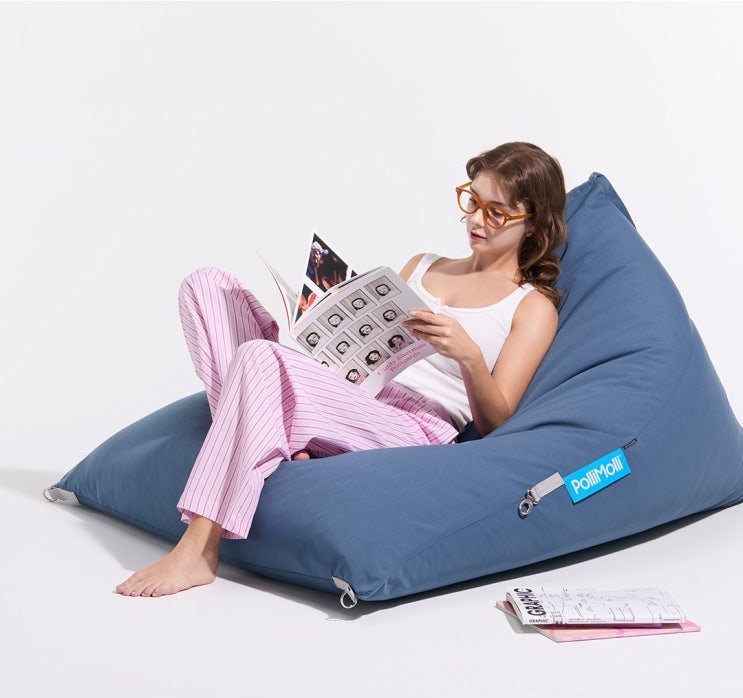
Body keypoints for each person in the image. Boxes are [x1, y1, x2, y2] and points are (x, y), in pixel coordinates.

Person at [115, 141, 566, 597]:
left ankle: (199, 546)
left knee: (257, 358)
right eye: (472, 201)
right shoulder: (424, 264)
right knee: (208, 286)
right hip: (350, 387)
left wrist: (469, 356)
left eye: (497, 213)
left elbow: (497, 423)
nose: (476, 220)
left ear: (533, 223)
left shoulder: (530, 307)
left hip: (411, 424)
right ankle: (277, 433)